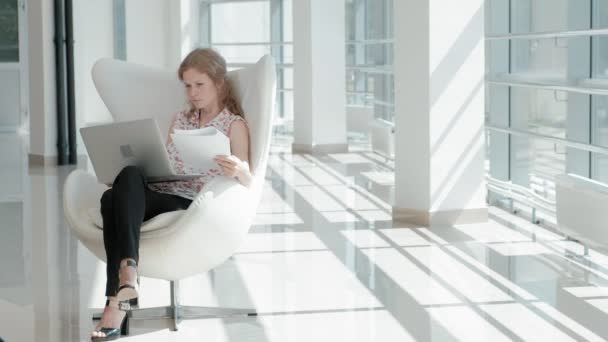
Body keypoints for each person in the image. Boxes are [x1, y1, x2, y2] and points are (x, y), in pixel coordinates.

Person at [91, 48, 251, 341]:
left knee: (110, 201)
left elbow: (249, 178)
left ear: (219, 83)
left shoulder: (234, 124)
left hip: (191, 201)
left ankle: (118, 299)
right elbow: (163, 161)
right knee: (125, 178)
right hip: (162, 189)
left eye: (199, 85)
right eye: (188, 86)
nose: (192, 93)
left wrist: (238, 167)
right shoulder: (181, 118)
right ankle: (128, 275)